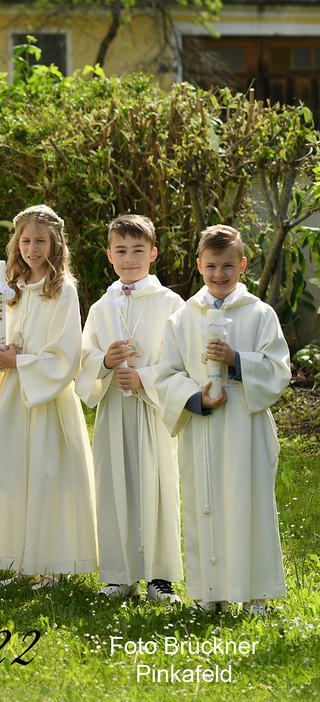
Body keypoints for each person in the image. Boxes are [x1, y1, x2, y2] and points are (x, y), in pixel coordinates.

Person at [153, 225, 290, 616]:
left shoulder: (259, 314)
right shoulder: (183, 318)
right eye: (211, 266)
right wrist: (196, 398)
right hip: (204, 427)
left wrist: (237, 361)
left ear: (242, 265)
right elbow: (166, 375)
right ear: (199, 266)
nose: (219, 274)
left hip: (246, 428)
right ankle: (209, 592)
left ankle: (255, 594)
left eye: (228, 265)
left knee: (250, 504)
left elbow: (278, 369)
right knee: (205, 503)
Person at [0, 205, 96, 590]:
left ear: (55, 244)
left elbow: (65, 354)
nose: (31, 248)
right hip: (15, 393)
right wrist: (4, 356)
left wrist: (21, 361)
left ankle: (52, 565)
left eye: (40, 241)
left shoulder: (63, 291)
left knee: (49, 477)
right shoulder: (12, 290)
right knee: (15, 475)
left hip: (48, 397)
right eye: (25, 241)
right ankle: (22, 561)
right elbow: (14, 338)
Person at [75, 215, 185, 602]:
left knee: (158, 487)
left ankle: (160, 577)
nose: (130, 259)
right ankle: (118, 575)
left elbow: (182, 362)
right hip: (114, 410)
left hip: (153, 412)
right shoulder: (101, 307)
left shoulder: (171, 304)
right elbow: (84, 359)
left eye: (138, 250)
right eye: (121, 251)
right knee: (113, 487)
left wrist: (145, 378)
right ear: (109, 255)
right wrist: (105, 362)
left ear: (153, 253)